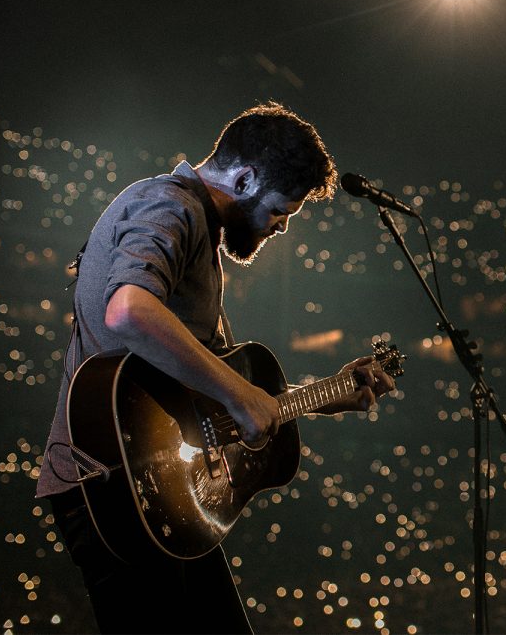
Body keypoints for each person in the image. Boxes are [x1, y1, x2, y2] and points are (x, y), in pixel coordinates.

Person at [36, 102, 396, 633]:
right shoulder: (170, 205)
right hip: (113, 488)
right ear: (245, 177)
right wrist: (239, 394)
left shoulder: (197, 228)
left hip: (153, 488)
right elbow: (129, 309)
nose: (280, 228)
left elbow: (202, 395)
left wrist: (325, 395)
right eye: (281, 210)